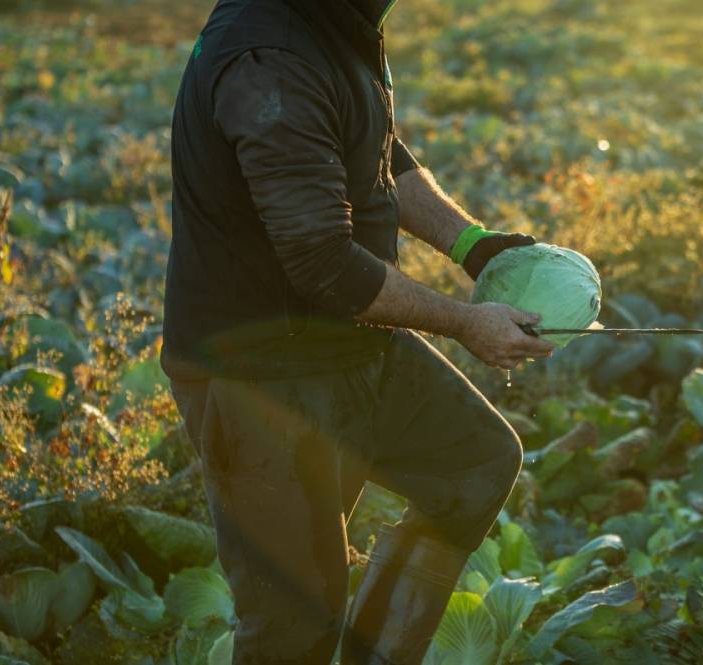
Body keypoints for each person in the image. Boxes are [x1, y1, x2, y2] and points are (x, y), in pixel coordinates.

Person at [161, 0, 555, 663]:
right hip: (260, 376)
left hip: (350, 341)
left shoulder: (338, 25)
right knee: (293, 622)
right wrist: (466, 323)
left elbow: (377, 151)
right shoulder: (269, 59)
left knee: (475, 463)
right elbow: (322, 261)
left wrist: (473, 247)